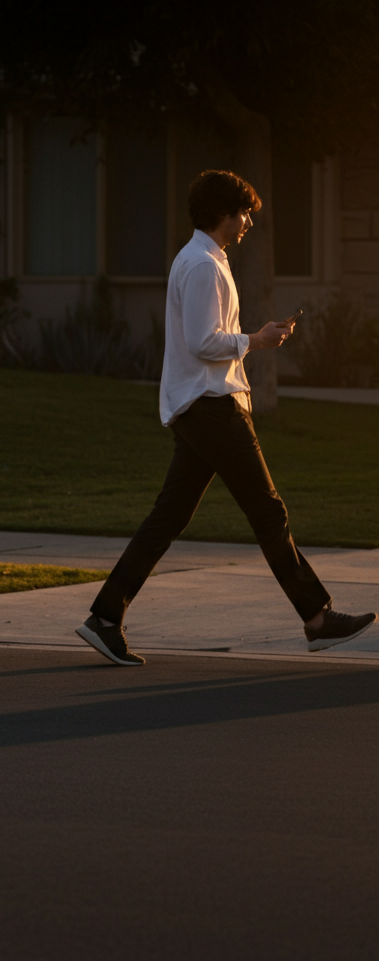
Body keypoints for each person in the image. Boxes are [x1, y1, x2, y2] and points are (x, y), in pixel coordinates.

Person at [76, 169, 376, 666]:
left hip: (201, 409)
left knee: (167, 520)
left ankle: (106, 617)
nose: (248, 223)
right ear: (222, 213)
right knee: (268, 513)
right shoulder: (202, 266)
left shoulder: (205, 260)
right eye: (244, 214)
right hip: (213, 409)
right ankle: (318, 620)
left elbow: (206, 338)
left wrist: (254, 340)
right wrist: (255, 340)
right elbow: (201, 341)